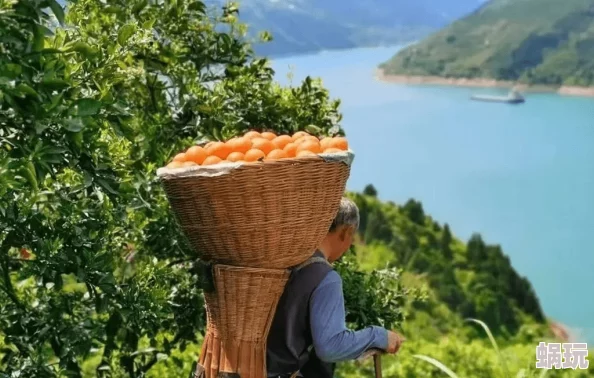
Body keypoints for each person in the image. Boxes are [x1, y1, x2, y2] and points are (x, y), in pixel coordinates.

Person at [266, 197, 405, 377]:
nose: (350, 244)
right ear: (345, 232)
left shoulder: (289, 261)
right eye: (352, 237)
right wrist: (379, 336)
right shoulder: (327, 279)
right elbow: (330, 346)